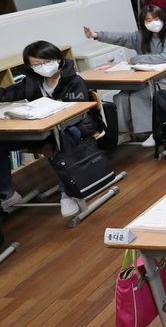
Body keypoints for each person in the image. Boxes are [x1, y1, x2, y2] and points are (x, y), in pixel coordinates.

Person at [0, 41, 103, 217]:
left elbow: (78, 112)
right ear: (30, 67)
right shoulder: (32, 81)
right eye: (36, 64)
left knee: (62, 140)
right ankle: (8, 194)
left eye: (46, 61)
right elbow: (7, 94)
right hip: (41, 129)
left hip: (74, 127)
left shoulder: (74, 81)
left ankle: (68, 192)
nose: (43, 67)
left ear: (58, 59)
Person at [83, 4, 166, 147]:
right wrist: (96, 35)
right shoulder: (139, 36)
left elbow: (165, 57)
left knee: (137, 97)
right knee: (120, 97)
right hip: (144, 79)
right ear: (143, 23)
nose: (153, 22)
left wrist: (136, 59)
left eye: (156, 18)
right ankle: (124, 133)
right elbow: (120, 37)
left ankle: (150, 132)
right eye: (148, 20)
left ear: (163, 18)